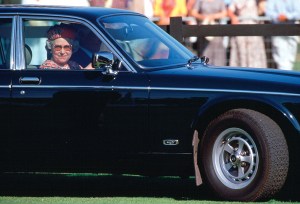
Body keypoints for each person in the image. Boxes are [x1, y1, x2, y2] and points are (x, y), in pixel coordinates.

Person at [227, 0, 267, 68]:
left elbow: (263, 8)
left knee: (255, 54)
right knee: (242, 54)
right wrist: (233, 17)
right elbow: (229, 10)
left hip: (254, 29)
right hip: (241, 30)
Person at [190, 0, 227, 66]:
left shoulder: (220, 1)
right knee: (205, 53)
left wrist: (212, 16)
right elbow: (193, 12)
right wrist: (203, 17)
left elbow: (224, 13)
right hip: (204, 31)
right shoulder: (200, 1)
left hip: (216, 31)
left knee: (218, 55)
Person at [266, 0, 300, 70]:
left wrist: (287, 17)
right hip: (277, 30)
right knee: (280, 58)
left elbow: (298, 13)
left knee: (290, 58)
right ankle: (285, 78)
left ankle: (287, 77)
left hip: (292, 31)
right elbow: (268, 13)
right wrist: (278, 17)